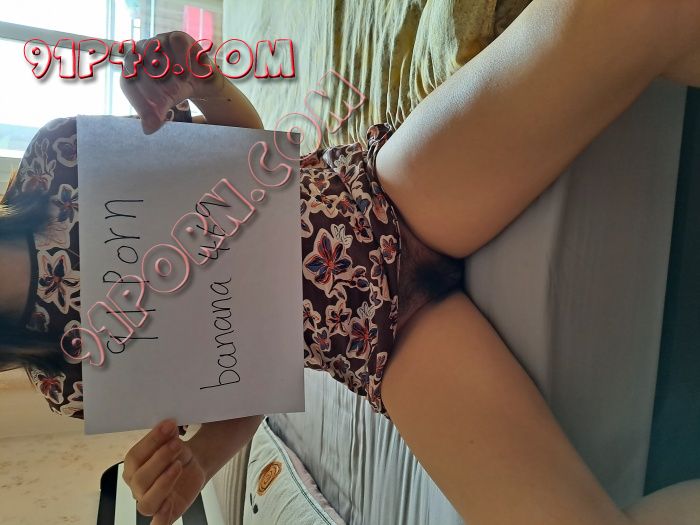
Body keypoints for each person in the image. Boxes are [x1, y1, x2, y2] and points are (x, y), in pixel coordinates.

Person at [1, 1, 699, 524]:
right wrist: (195, 465)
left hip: (380, 194)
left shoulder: (56, 160)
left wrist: (200, 84)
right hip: (378, 348)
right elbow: (245, 384)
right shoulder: (64, 382)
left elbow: (249, 156)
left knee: (632, 11)